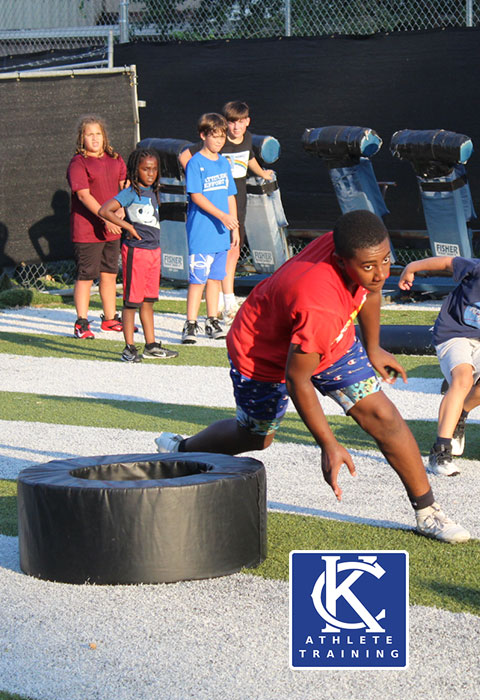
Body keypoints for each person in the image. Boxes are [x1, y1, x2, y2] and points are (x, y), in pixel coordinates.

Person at [155, 210, 470, 544]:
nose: (380, 273)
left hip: (327, 339)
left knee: (382, 416)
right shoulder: (319, 301)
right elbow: (297, 379)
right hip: (261, 353)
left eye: (385, 260)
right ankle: (182, 448)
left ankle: (427, 511)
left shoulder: (357, 249)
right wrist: (328, 443)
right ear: (340, 260)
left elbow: (371, 290)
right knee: (255, 437)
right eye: (368, 266)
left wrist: (374, 348)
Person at [179, 101, 274, 324]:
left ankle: (227, 301)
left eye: (241, 121)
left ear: (248, 122)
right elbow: (186, 157)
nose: (235, 127)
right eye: (231, 122)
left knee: (232, 249)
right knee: (203, 268)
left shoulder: (245, 141)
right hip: (210, 210)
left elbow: (249, 158)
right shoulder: (211, 150)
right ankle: (203, 315)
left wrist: (262, 173)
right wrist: (197, 176)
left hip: (234, 201)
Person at [399, 255, 480, 476]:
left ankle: (460, 414)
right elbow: (447, 262)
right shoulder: (475, 268)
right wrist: (411, 266)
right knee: (463, 378)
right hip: (453, 334)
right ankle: (440, 451)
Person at [98, 147, 178, 363]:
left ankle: (151, 344)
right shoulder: (131, 192)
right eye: (145, 169)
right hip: (136, 251)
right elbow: (105, 210)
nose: (150, 174)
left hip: (154, 251)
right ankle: (129, 347)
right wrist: (128, 227)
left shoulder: (155, 190)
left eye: (154, 169)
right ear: (136, 171)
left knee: (148, 301)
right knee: (131, 301)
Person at [181, 112, 240, 345]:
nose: (219, 141)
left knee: (216, 278)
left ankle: (212, 320)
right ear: (203, 135)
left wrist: (233, 226)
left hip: (221, 233)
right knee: (198, 280)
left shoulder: (224, 163)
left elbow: (230, 195)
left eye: (222, 136)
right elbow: (196, 196)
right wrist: (222, 216)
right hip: (202, 231)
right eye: (214, 136)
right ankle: (190, 323)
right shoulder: (195, 163)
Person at [67, 115, 127, 339]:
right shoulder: (78, 163)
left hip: (112, 229)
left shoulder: (115, 158)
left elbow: (124, 187)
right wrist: (107, 218)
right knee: (86, 275)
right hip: (87, 230)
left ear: (104, 136)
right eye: (89, 134)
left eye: (98, 134)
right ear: (81, 139)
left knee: (109, 274)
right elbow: (83, 195)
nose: (94, 138)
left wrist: (120, 212)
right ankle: (81, 322)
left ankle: (110, 319)